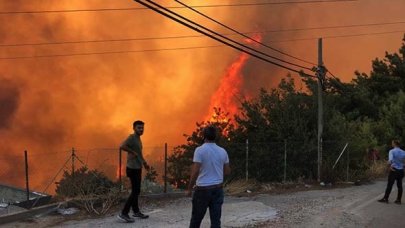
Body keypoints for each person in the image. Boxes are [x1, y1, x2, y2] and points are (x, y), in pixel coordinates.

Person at [187, 126, 231, 228]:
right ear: (215, 136)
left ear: (204, 136)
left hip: (202, 190)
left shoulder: (199, 150)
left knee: (196, 220)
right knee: (216, 221)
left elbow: (195, 171)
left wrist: (189, 189)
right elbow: (227, 171)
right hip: (218, 189)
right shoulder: (223, 151)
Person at [117, 120, 150, 223]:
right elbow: (122, 146)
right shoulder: (131, 137)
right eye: (139, 128)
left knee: (136, 191)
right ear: (134, 128)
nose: (141, 129)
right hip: (132, 168)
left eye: (142, 128)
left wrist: (144, 163)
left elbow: (139, 154)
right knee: (135, 191)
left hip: (138, 167)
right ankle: (124, 213)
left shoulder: (138, 139)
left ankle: (136, 211)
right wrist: (132, 152)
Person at [378, 139, 405, 204]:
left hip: (394, 170)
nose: (391, 144)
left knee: (390, 185)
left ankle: (385, 198)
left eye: (392, 143)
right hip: (401, 170)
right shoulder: (403, 152)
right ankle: (398, 200)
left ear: (395, 144)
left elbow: (390, 160)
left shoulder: (392, 151)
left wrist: (390, 166)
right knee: (400, 185)